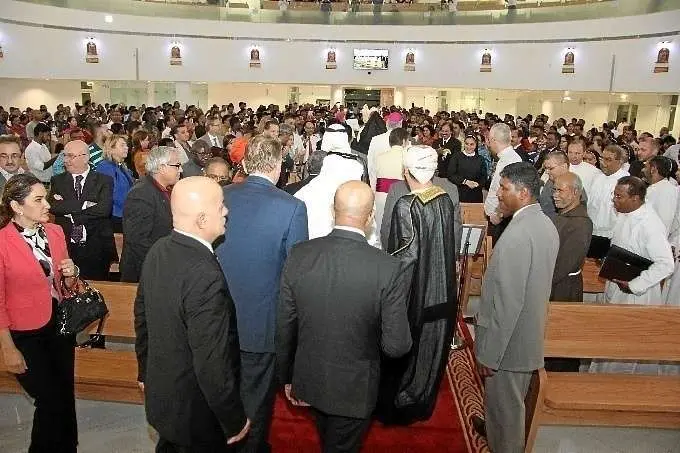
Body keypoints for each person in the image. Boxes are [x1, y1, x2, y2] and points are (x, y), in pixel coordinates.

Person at [277, 180, 411, 453]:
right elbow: (396, 346)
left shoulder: (300, 254)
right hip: (356, 389)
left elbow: (284, 326)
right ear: (371, 215)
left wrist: (287, 376)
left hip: (310, 378)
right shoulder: (389, 268)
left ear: (332, 210)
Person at [134, 177, 250, 453]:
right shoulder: (204, 274)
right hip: (196, 412)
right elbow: (212, 361)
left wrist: (144, 373)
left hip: (165, 399)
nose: (226, 211)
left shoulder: (159, 250)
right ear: (201, 219)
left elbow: (142, 321)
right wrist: (233, 419)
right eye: (220, 206)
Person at [215, 135, 308, 453]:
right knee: (255, 402)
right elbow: (295, 275)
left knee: (222, 394)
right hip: (262, 323)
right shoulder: (292, 207)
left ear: (242, 163)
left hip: (217, 319)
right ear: (279, 167)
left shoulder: (222, 195)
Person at [473, 162, 559, 453]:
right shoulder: (544, 223)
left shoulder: (518, 233)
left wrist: (491, 354)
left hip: (509, 345)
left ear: (523, 193)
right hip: (525, 335)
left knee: (507, 417)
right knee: (506, 411)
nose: (498, 194)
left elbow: (507, 303)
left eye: (504, 188)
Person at [0, 173, 80, 453]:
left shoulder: (55, 232)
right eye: (38, 199)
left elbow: (68, 286)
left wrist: (72, 275)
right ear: (16, 206)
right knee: (49, 399)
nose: (47, 204)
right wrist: (8, 348)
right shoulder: (2, 242)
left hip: (59, 326)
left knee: (64, 397)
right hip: (25, 334)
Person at [378, 145, 457, 424]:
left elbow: (402, 259)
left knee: (406, 348)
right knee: (431, 346)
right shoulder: (445, 199)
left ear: (405, 171)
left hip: (414, 293)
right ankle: (420, 399)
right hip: (441, 290)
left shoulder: (407, 204)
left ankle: (398, 405)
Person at [590, 176, 675, 374]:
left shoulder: (649, 224)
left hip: (636, 294)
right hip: (617, 285)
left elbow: (665, 264)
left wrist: (634, 285)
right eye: (614, 195)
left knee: (624, 349)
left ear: (635, 198)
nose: (614, 200)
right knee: (609, 344)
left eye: (619, 197)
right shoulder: (625, 214)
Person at [546, 172, 593, 372]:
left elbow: (564, 264)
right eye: (553, 189)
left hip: (563, 289)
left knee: (558, 340)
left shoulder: (580, 223)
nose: (554, 194)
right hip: (552, 284)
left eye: (559, 190)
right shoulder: (563, 216)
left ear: (575, 193)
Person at [49, 140, 114, 281]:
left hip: (97, 246)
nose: (66, 160)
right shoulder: (57, 180)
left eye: (71, 156)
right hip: (67, 248)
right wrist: (84, 205)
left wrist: (71, 212)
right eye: (65, 156)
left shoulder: (104, 180)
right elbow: (53, 207)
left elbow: (104, 210)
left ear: (86, 157)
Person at [120, 146, 180, 283]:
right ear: (161, 167)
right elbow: (138, 240)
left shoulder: (163, 190)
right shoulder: (141, 194)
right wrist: (164, 264)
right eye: (176, 165)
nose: (180, 170)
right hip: (146, 271)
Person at [587, 144, 630, 258]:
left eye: (608, 160)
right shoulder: (597, 177)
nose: (603, 163)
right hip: (592, 232)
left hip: (611, 236)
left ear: (620, 162)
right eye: (602, 158)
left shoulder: (625, 181)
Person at [484, 123, 523, 244]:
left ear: (493, 140)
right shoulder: (505, 158)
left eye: (489, 140)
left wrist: (500, 214)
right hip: (497, 218)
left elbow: (512, 194)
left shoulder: (511, 160)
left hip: (502, 220)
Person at [96, 135, 135, 233]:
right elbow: (111, 193)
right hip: (115, 215)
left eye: (126, 145)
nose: (126, 147)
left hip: (126, 213)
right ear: (111, 149)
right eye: (122, 145)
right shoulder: (105, 167)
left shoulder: (121, 166)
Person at [374, 128, 409, 232]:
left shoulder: (380, 157)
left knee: (380, 226)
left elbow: (373, 177)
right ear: (403, 141)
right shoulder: (407, 157)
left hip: (380, 196)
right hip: (400, 196)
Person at [644, 155, 679, 240]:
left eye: (645, 167)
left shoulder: (659, 191)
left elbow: (661, 223)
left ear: (653, 169)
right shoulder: (671, 189)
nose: (643, 170)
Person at [447, 134, 487, 203]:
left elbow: (484, 176)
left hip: (475, 193)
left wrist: (477, 184)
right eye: (467, 144)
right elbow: (451, 174)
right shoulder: (456, 157)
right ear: (464, 144)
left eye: (472, 144)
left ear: (476, 145)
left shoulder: (480, 159)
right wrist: (465, 182)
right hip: (459, 193)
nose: (469, 147)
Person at [368, 112, 402, 190]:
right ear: (400, 124)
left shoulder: (376, 139)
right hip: (399, 186)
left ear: (387, 123)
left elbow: (371, 164)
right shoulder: (405, 141)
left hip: (379, 184)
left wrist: (373, 186)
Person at [538, 151, 570, 221]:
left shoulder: (572, 186)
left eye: (550, 168)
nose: (546, 172)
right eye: (545, 168)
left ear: (564, 166)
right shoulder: (550, 181)